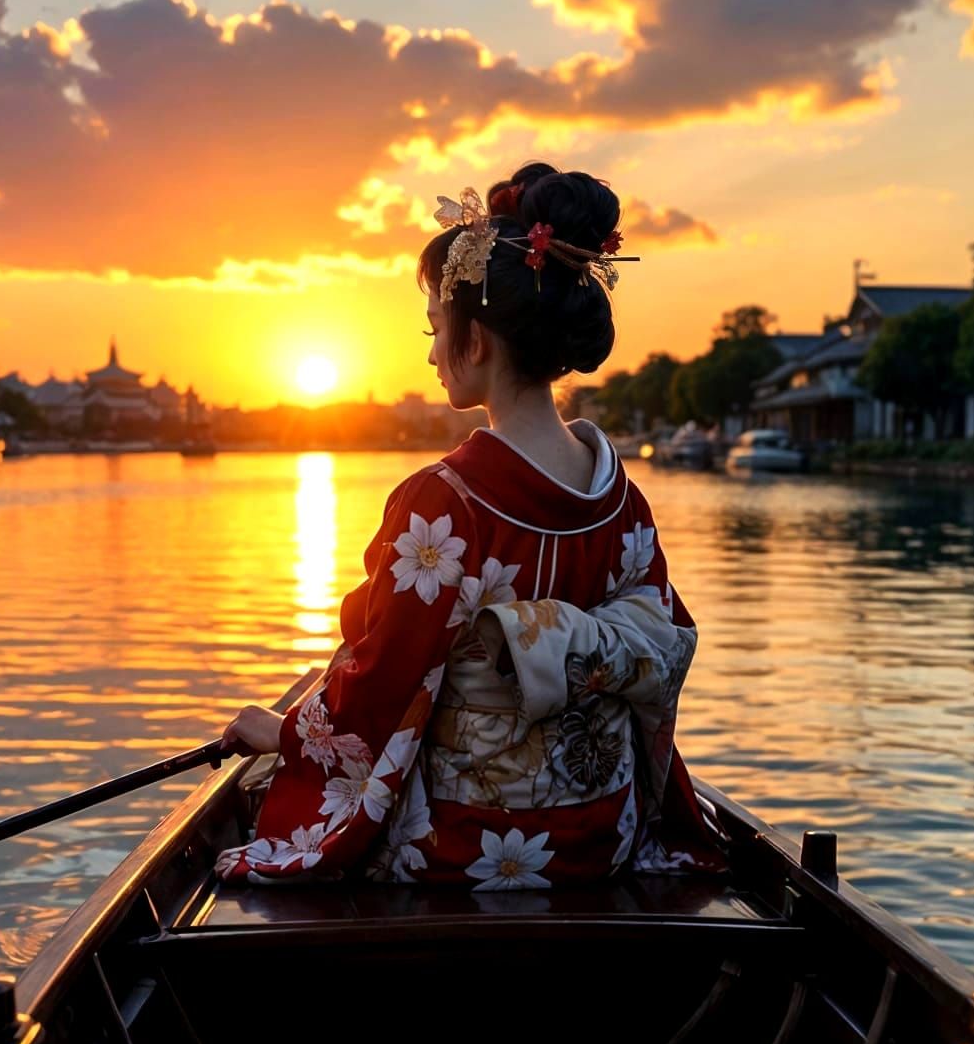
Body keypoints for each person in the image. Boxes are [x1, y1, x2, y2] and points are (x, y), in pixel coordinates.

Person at [217, 163, 724, 886]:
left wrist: (289, 735)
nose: (429, 353)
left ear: (477, 340)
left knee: (279, 812)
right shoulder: (623, 500)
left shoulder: (444, 504)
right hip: (606, 834)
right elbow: (654, 651)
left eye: (435, 330)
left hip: (465, 846)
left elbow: (383, 680)